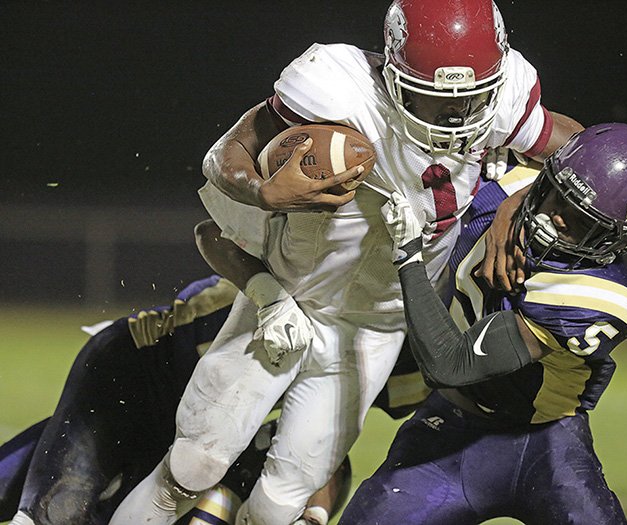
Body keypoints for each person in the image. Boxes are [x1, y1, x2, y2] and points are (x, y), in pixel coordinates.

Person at [110, 1, 582, 524]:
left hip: (378, 329)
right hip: (295, 298)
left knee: (280, 505)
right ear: (393, 73)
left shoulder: (507, 98)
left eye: (471, 99)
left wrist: (522, 196)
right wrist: (262, 193)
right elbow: (228, 154)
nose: (454, 117)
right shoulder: (338, 92)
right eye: (431, 99)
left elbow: (581, 157)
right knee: (192, 467)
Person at [339, 123, 627, 525]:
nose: (557, 219)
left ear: (618, 240)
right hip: (450, 425)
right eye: (557, 197)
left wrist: (409, 257)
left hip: (548, 447)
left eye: (583, 222)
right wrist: (512, 199)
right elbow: (538, 122)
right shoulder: (497, 188)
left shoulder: (599, 296)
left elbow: (450, 364)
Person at [0, 275, 426, 525]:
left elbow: (333, 453)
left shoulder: (390, 343)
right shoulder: (279, 286)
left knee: (292, 476)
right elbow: (216, 246)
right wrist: (264, 290)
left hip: (209, 435)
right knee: (57, 512)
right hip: (133, 384)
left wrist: (311, 517)